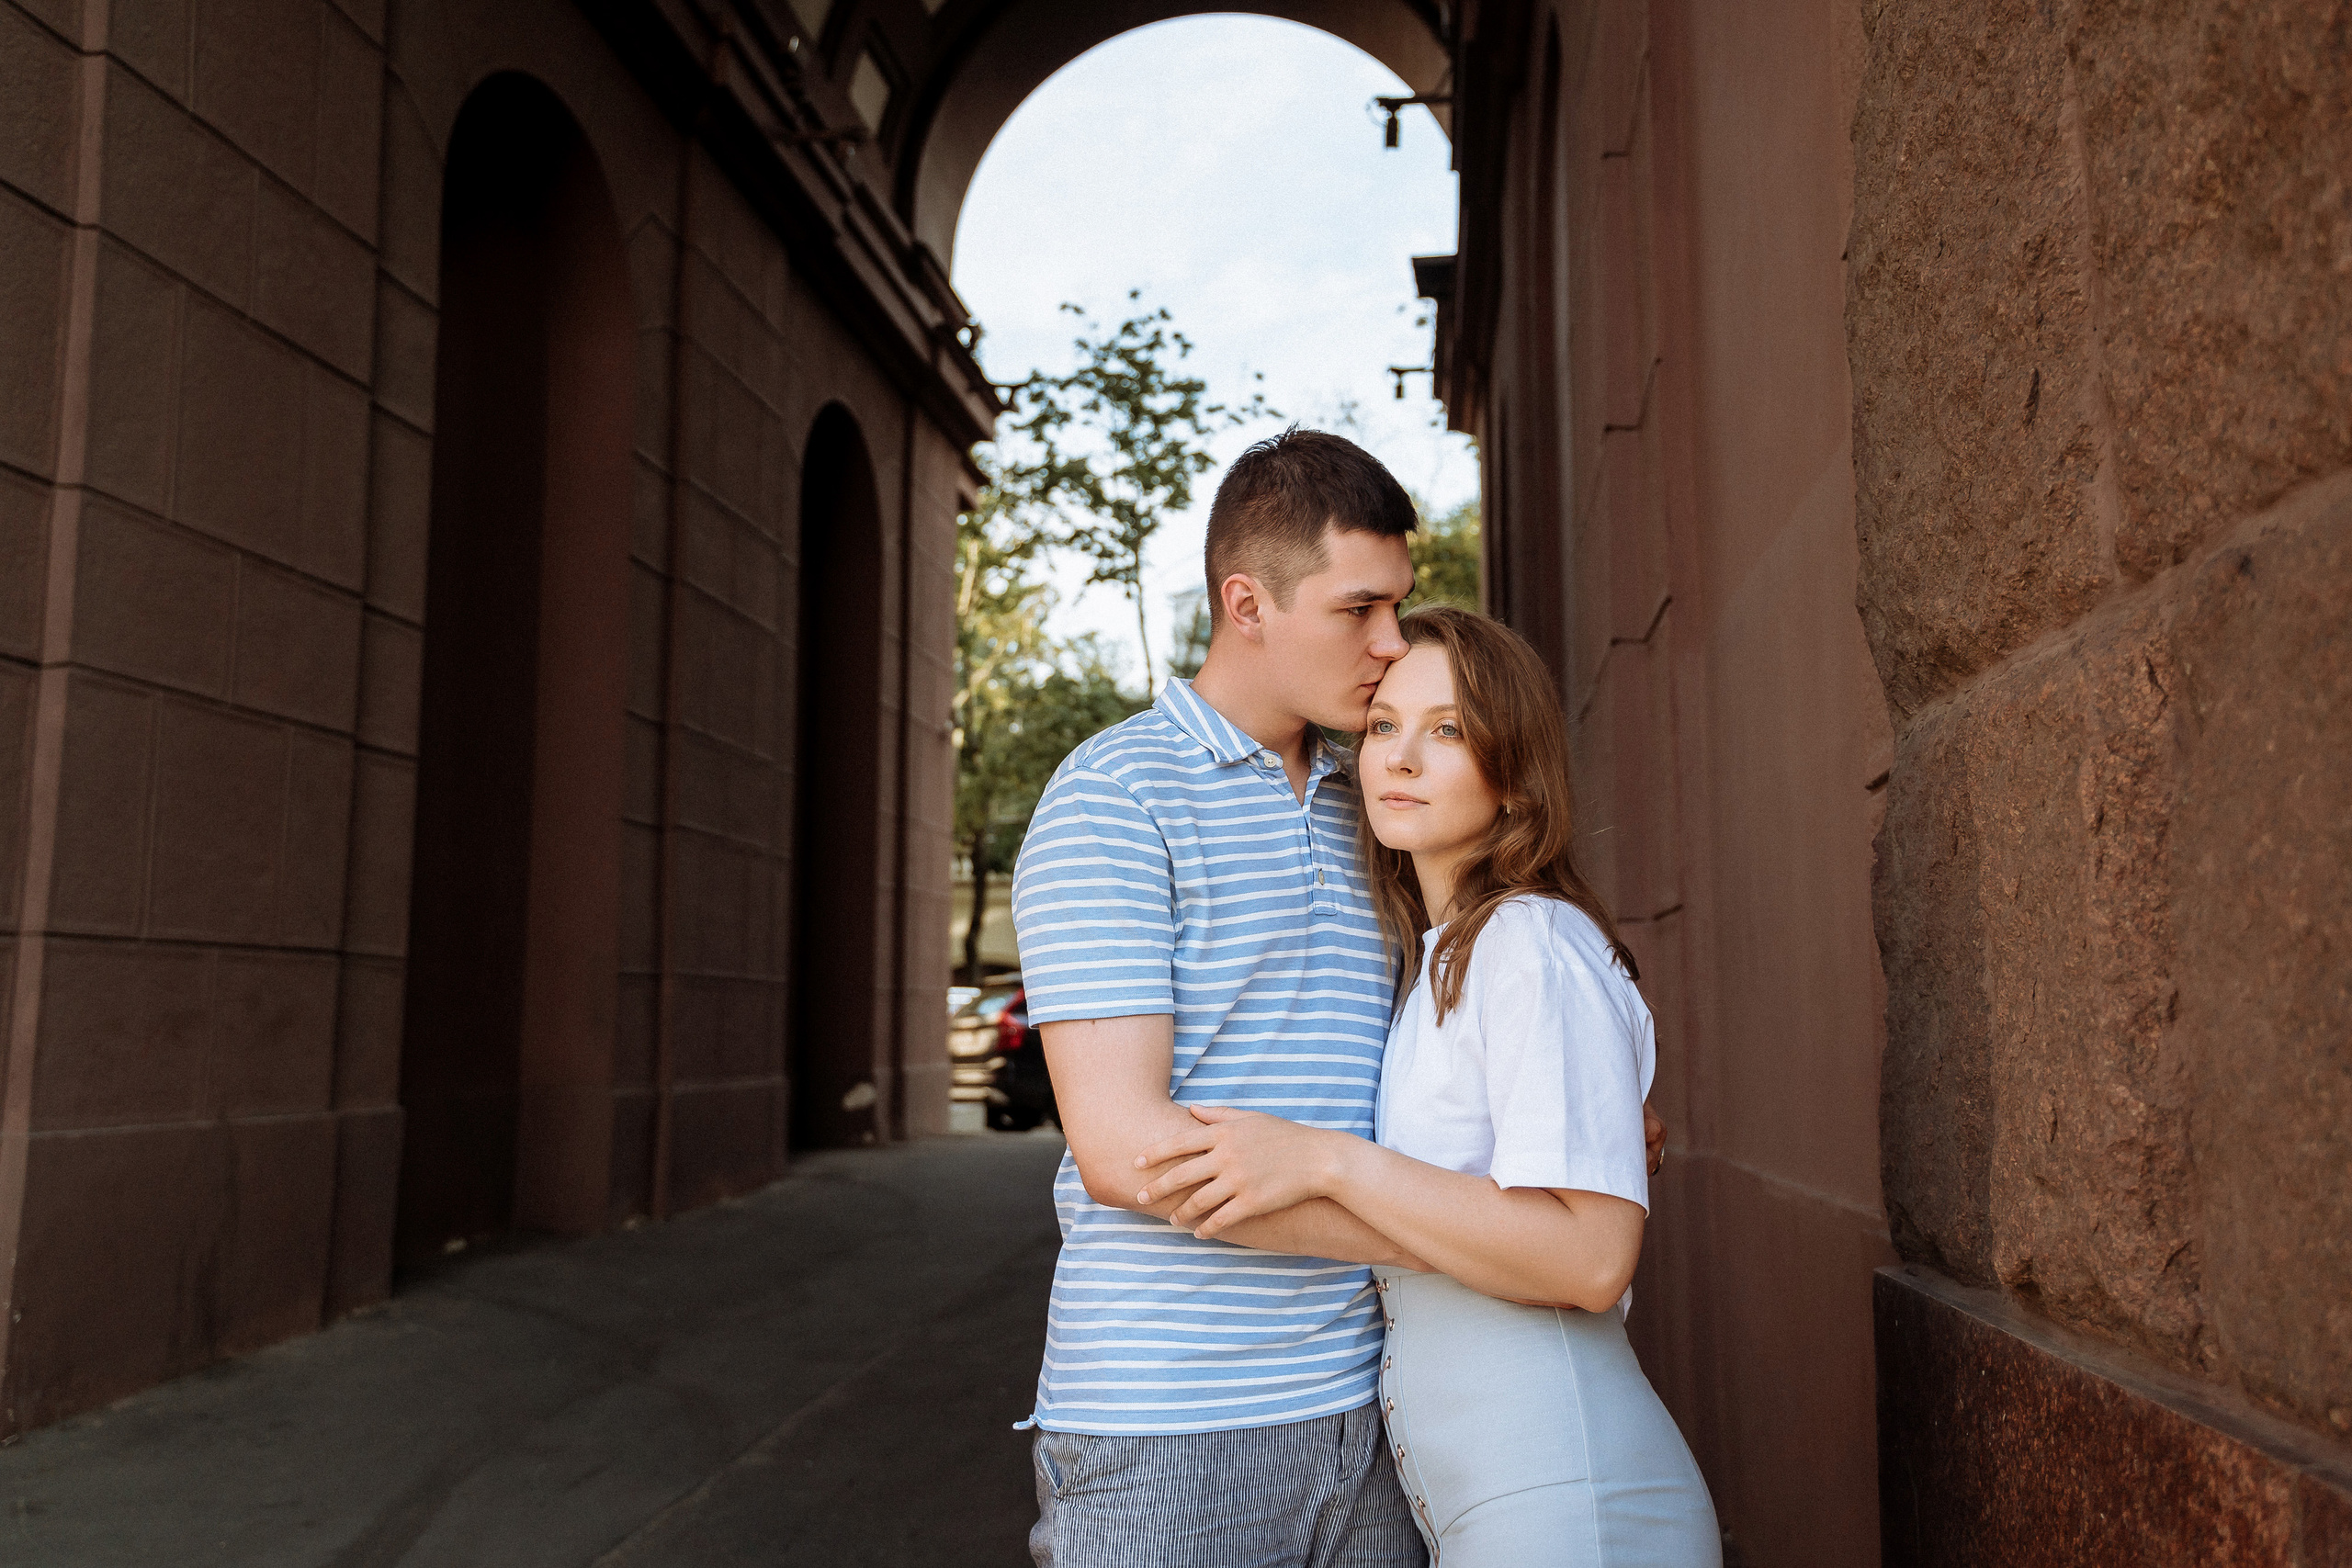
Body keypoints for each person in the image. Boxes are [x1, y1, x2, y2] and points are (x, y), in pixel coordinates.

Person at [1011, 430, 1665, 1568]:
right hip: (1173, 1419)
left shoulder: (1372, 801)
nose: (1389, 642)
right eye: (1359, 610)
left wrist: (1560, 1158)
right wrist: (1506, 1230)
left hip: (1381, 1414)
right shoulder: (1111, 799)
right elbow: (1125, 1151)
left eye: (1397, 608)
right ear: (1246, 602)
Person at [1133, 604, 1720, 1566]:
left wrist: (1324, 1161)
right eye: (1382, 727)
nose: (1399, 758)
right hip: (1486, 1507)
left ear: (1512, 769)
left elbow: (1590, 1260)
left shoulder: (1530, 941)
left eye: (1446, 730)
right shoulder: (1444, 957)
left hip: (1571, 1505)